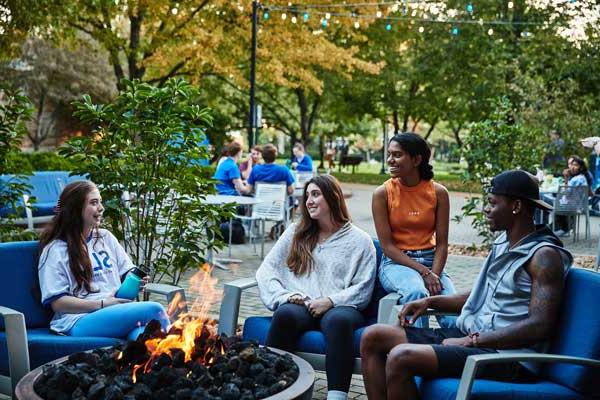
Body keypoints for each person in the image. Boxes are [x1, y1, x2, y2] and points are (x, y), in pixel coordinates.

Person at [360, 170, 573, 400]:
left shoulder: (543, 256)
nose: (486, 209)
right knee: (374, 337)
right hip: (476, 337)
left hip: (507, 357)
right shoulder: (504, 242)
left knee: (401, 357)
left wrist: (471, 341)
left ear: (516, 206)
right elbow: (482, 295)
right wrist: (430, 301)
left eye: (492, 203)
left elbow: (540, 325)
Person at [256, 175, 376, 400]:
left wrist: (330, 301)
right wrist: (286, 295)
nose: (309, 200)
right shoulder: (295, 232)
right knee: (284, 314)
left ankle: (336, 396)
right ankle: (272, 387)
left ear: (333, 197)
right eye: (307, 195)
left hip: (342, 305)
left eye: (316, 194)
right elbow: (266, 270)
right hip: (303, 302)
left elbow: (363, 287)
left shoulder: (360, 241)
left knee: (337, 321)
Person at [38, 181, 170, 340]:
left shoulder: (105, 237)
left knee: (143, 338)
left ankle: (169, 363)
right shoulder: (55, 250)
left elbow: (126, 271)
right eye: (94, 203)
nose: (101, 208)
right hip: (78, 320)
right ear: (75, 208)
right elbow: (58, 303)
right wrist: (103, 304)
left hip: (115, 313)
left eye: (100, 202)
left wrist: (135, 280)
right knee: (154, 309)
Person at [372, 132, 455, 328]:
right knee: (417, 293)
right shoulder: (382, 194)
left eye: (397, 155)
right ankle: (418, 352)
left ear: (417, 159)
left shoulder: (439, 193)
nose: (390, 160)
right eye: (389, 154)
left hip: (431, 262)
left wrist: (434, 274)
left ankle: (454, 354)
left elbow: (442, 244)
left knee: (453, 315)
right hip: (396, 263)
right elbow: (387, 246)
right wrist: (425, 274)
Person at [553, 156, 592, 236]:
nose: (572, 167)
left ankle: (562, 229)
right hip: (579, 206)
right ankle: (559, 228)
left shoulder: (576, 179)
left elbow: (565, 193)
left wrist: (566, 178)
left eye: (576, 165)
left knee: (544, 199)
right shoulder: (583, 177)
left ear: (581, 167)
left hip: (569, 206)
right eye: (572, 164)